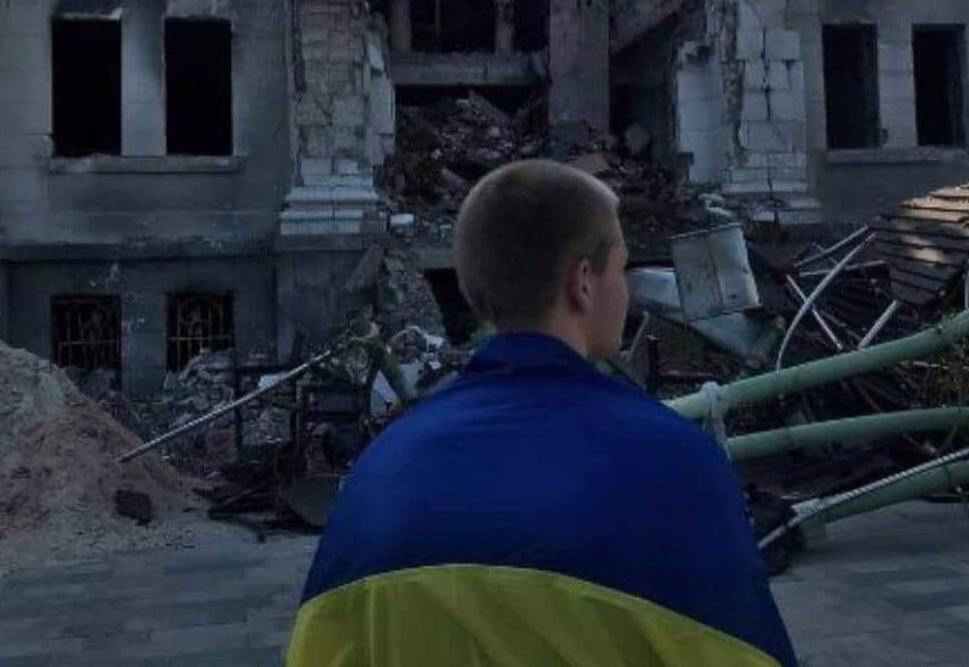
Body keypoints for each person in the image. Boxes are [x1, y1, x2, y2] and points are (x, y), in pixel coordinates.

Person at [287, 160, 799, 667]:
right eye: (621, 267)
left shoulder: (377, 474)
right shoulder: (680, 467)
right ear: (583, 283)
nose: (626, 288)